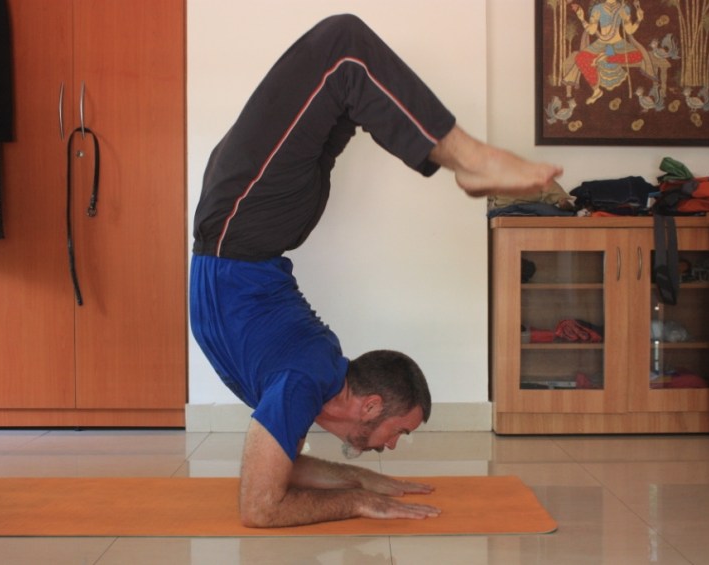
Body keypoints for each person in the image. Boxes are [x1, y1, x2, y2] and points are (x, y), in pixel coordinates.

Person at [190, 14, 562, 528]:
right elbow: (260, 507)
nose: (393, 446)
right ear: (369, 406)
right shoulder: (308, 378)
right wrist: (359, 502)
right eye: (399, 432)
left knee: (344, 78)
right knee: (342, 48)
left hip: (247, 231)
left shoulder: (307, 386)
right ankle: (470, 158)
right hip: (245, 226)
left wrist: (360, 479)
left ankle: (466, 159)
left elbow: (276, 475)